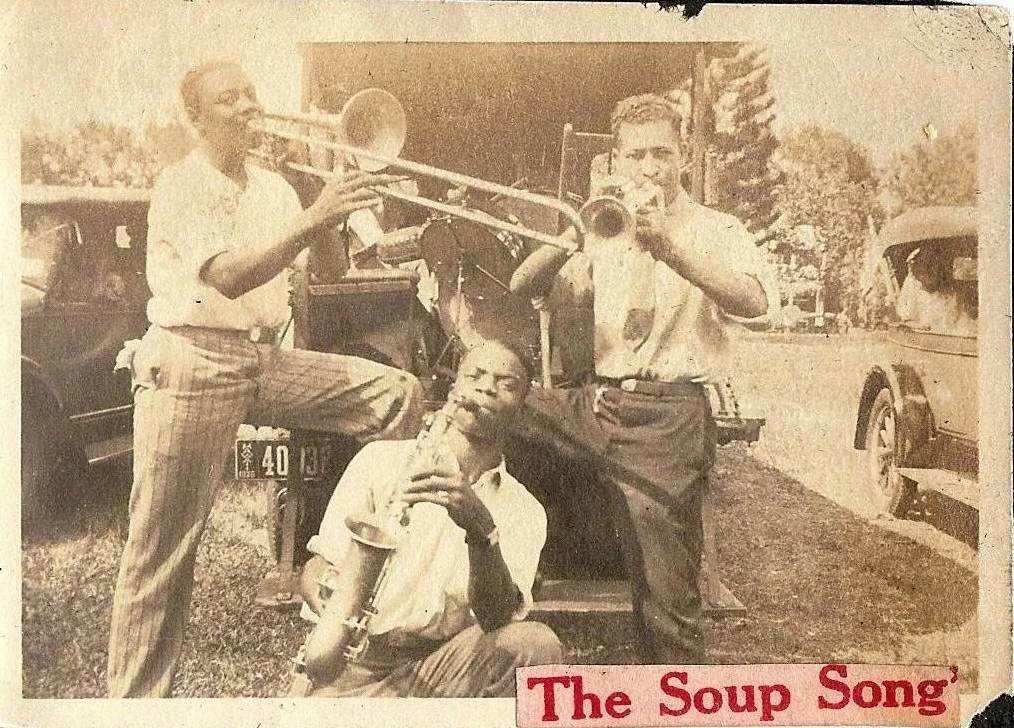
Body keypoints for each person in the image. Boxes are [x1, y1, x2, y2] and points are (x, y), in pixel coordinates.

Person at [106, 59, 425, 698]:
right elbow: (227, 276)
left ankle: (366, 579)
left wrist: (334, 202)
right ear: (196, 118)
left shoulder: (275, 188)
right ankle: (134, 707)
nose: (251, 105)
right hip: (191, 362)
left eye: (253, 92)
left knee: (397, 395)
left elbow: (329, 273)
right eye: (231, 99)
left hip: (264, 359)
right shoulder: (181, 184)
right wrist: (314, 217)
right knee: (161, 556)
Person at [511, 94, 779, 664]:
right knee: (488, 399)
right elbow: (519, 285)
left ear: (683, 155)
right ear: (616, 160)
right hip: (596, 401)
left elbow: (756, 301)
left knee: (665, 601)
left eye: (662, 153)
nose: (650, 168)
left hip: (668, 414)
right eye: (636, 156)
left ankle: (671, 693)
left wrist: (670, 250)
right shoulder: (604, 221)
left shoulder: (716, 228)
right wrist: (573, 233)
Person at [294, 340, 561, 697]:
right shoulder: (378, 460)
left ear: (522, 412)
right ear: (454, 391)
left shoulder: (525, 510)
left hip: (444, 668)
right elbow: (318, 565)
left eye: (506, 383)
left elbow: (497, 618)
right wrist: (328, 601)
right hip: (352, 669)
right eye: (475, 376)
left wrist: (481, 530)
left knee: (537, 646)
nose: (486, 387)